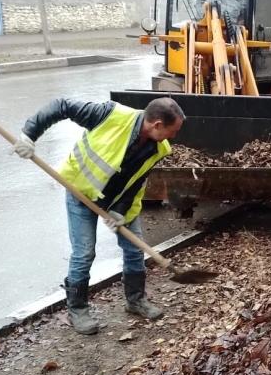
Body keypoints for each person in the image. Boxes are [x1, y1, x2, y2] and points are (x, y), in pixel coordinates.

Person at [13, 97, 185, 335]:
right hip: (81, 193)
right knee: (84, 253)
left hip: (120, 203)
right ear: (156, 124)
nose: (173, 137)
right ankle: (77, 310)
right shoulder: (110, 114)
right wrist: (29, 135)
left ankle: (135, 300)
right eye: (172, 131)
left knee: (135, 250)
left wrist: (120, 210)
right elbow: (61, 105)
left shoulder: (160, 147)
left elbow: (138, 180)